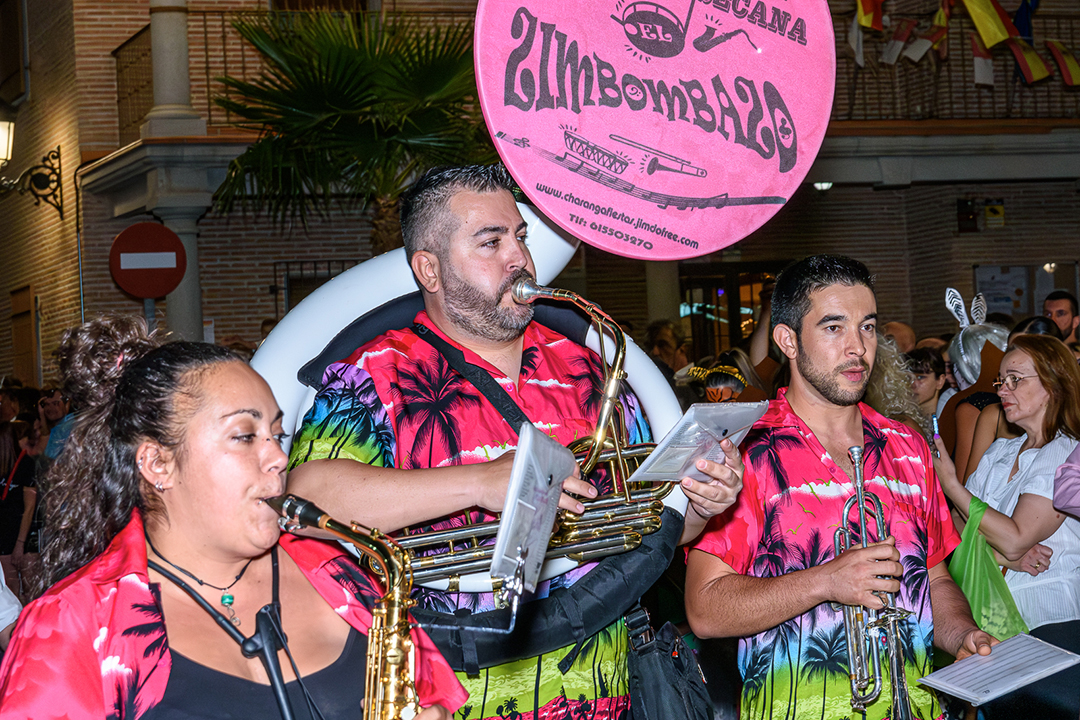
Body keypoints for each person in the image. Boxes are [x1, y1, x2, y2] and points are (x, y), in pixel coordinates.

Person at [287, 164, 744, 719]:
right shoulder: (375, 375)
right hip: (454, 699)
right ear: (428, 269)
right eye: (491, 242)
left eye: (521, 237)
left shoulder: (588, 369)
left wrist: (700, 502)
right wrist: (479, 482)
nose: (520, 259)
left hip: (607, 697)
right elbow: (306, 503)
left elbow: (650, 524)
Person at [0, 316, 464, 718]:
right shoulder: (70, 625)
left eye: (277, 434)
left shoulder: (336, 574)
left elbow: (430, 694)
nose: (278, 458)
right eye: (244, 436)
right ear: (157, 464)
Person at [684, 254, 994, 720]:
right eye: (834, 328)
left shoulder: (907, 445)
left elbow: (933, 577)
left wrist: (962, 634)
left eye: (867, 327)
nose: (857, 348)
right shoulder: (744, 450)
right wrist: (826, 581)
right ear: (787, 340)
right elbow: (705, 610)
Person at [932, 334, 1080, 718]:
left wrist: (952, 486)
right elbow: (957, 527)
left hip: (1047, 616)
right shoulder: (1001, 451)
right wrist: (1000, 552)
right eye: (1001, 381)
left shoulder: (1065, 453)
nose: (1003, 390)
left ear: (1051, 385)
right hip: (988, 609)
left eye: (1016, 379)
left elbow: (1016, 537)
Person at [962, 316, 1063, 482]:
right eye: (1011, 349)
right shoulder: (995, 418)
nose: (1017, 355)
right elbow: (970, 491)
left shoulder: (1066, 443)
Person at [0, 421, 36, 602]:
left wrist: (20, 544)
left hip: (23, 537)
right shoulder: (2, 466)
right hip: (4, 538)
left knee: (31, 592)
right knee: (10, 592)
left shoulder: (26, 465)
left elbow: (30, 507)